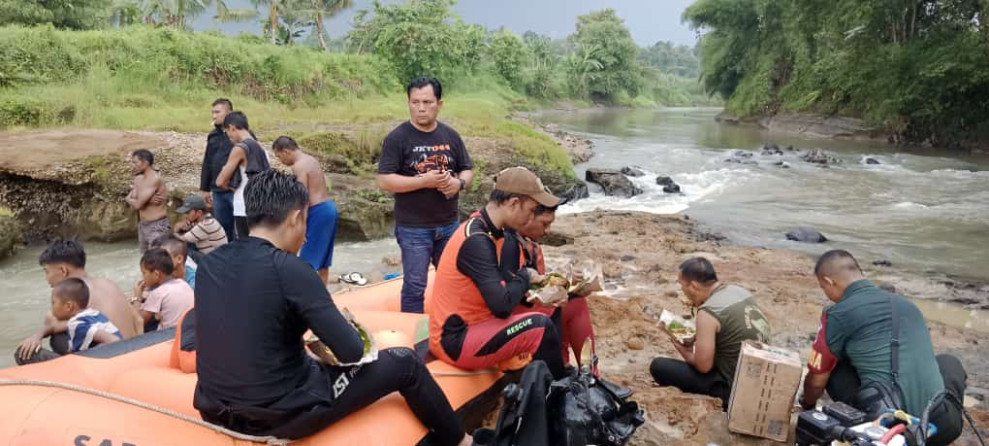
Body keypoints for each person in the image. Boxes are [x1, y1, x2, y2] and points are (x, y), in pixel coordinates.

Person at [194, 169, 467, 444]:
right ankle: (462, 441)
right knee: (405, 362)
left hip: (213, 410)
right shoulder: (292, 269)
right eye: (306, 224)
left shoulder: (210, 264)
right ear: (296, 218)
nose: (306, 238)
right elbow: (351, 350)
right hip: (278, 415)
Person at [799, 250, 965, 446]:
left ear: (829, 281)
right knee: (948, 362)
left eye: (823, 287)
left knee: (832, 364)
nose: (826, 294)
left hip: (886, 428)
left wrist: (807, 405)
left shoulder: (838, 313)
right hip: (942, 427)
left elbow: (817, 381)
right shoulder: (909, 306)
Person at [429, 167, 568, 379]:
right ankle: (561, 396)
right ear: (513, 203)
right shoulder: (476, 239)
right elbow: (502, 306)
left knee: (551, 309)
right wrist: (526, 276)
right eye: (532, 210)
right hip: (456, 339)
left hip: (482, 323)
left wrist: (540, 289)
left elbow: (508, 285)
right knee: (540, 326)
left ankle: (555, 378)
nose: (532, 218)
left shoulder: (498, 232)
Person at [378, 77, 474, 313]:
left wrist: (458, 183)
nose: (421, 108)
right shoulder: (397, 138)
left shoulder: (451, 136)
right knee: (415, 285)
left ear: (439, 104)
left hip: (449, 225)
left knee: (453, 280)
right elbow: (384, 180)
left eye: (427, 102)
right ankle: (412, 340)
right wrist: (423, 181)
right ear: (408, 102)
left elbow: (468, 169)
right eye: (415, 102)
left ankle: (451, 331)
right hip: (413, 228)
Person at [649, 257, 770, 408]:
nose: (682, 291)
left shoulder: (707, 313)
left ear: (693, 286)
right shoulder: (739, 291)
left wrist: (685, 352)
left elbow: (704, 367)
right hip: (761, 379)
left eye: (681, 286)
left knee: (659, 366)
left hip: (733, 389)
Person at [501, 202, 598, 373]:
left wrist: (567, 282)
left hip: (523, 310)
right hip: (512, 320)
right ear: (527, 216)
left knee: (573, 301)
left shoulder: (528, 244)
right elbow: (517, 295)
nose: (548, 231)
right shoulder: (508, 244)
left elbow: (537, 283)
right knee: (570, 305)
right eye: (545, 224)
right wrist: (562, 283)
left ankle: (582, 370)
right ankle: (574, 371)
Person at [15, 240, 142, 365]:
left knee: (26, 352)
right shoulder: (106, 283)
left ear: (63, 270)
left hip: (109, 362)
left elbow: (53, 323)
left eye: (46, 271)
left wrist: (36, 336)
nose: (46, 278)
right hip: (131, 351)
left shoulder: (75, 297)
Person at [272, 136, 339, 284]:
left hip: (317, 211)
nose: (280, 161)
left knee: (306, 262)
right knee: (323, 263)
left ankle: (306, 300)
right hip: (329, 208)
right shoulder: (311, 159)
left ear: (286, 151)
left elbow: (303, 199)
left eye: (279, 156)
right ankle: (324, 297)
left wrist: (300, 226)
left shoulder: (299, 166)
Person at [216, 111, 270, 239]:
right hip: (262, 206)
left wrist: (232, 188)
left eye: (227, 132)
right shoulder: (261, 149)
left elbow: (220, 181)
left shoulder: (240, 149)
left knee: (246, 247)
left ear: (232, 127)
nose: (229, 136)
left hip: (243, 206)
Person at [53, 278, 122, 353]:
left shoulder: (75, 323)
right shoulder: (95, 313)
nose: (52, 308)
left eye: (53, 303)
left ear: (68, 306)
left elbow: (114, 340)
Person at [200, 98, 236, 242]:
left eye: (217, 112)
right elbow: (208, 161)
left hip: (235, 189)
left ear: (229, 113)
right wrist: (204, 188)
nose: (214, 116)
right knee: (222, 229)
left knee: (241, 227)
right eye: (212, 112)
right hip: (218, 191)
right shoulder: (213, 136)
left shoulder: (240, 134)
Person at [132, 248, 194, 331]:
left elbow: (139, 322)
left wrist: (137, 297)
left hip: (170, 336)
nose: (143, 277)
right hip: (189, 329)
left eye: (144, 273)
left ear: (156, 274)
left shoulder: (158, 293)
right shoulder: (182, 283)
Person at [126, 149, 170, 253]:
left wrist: (129, 199)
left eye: (136, 162)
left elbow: (137, 204)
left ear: (145, 162)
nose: (134, 166)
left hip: (157, 225)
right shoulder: (138, 179)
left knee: (158, 259)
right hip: (143, 225)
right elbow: (134, 199)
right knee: (146, 260)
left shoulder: (154, 179)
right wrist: (131, 198)